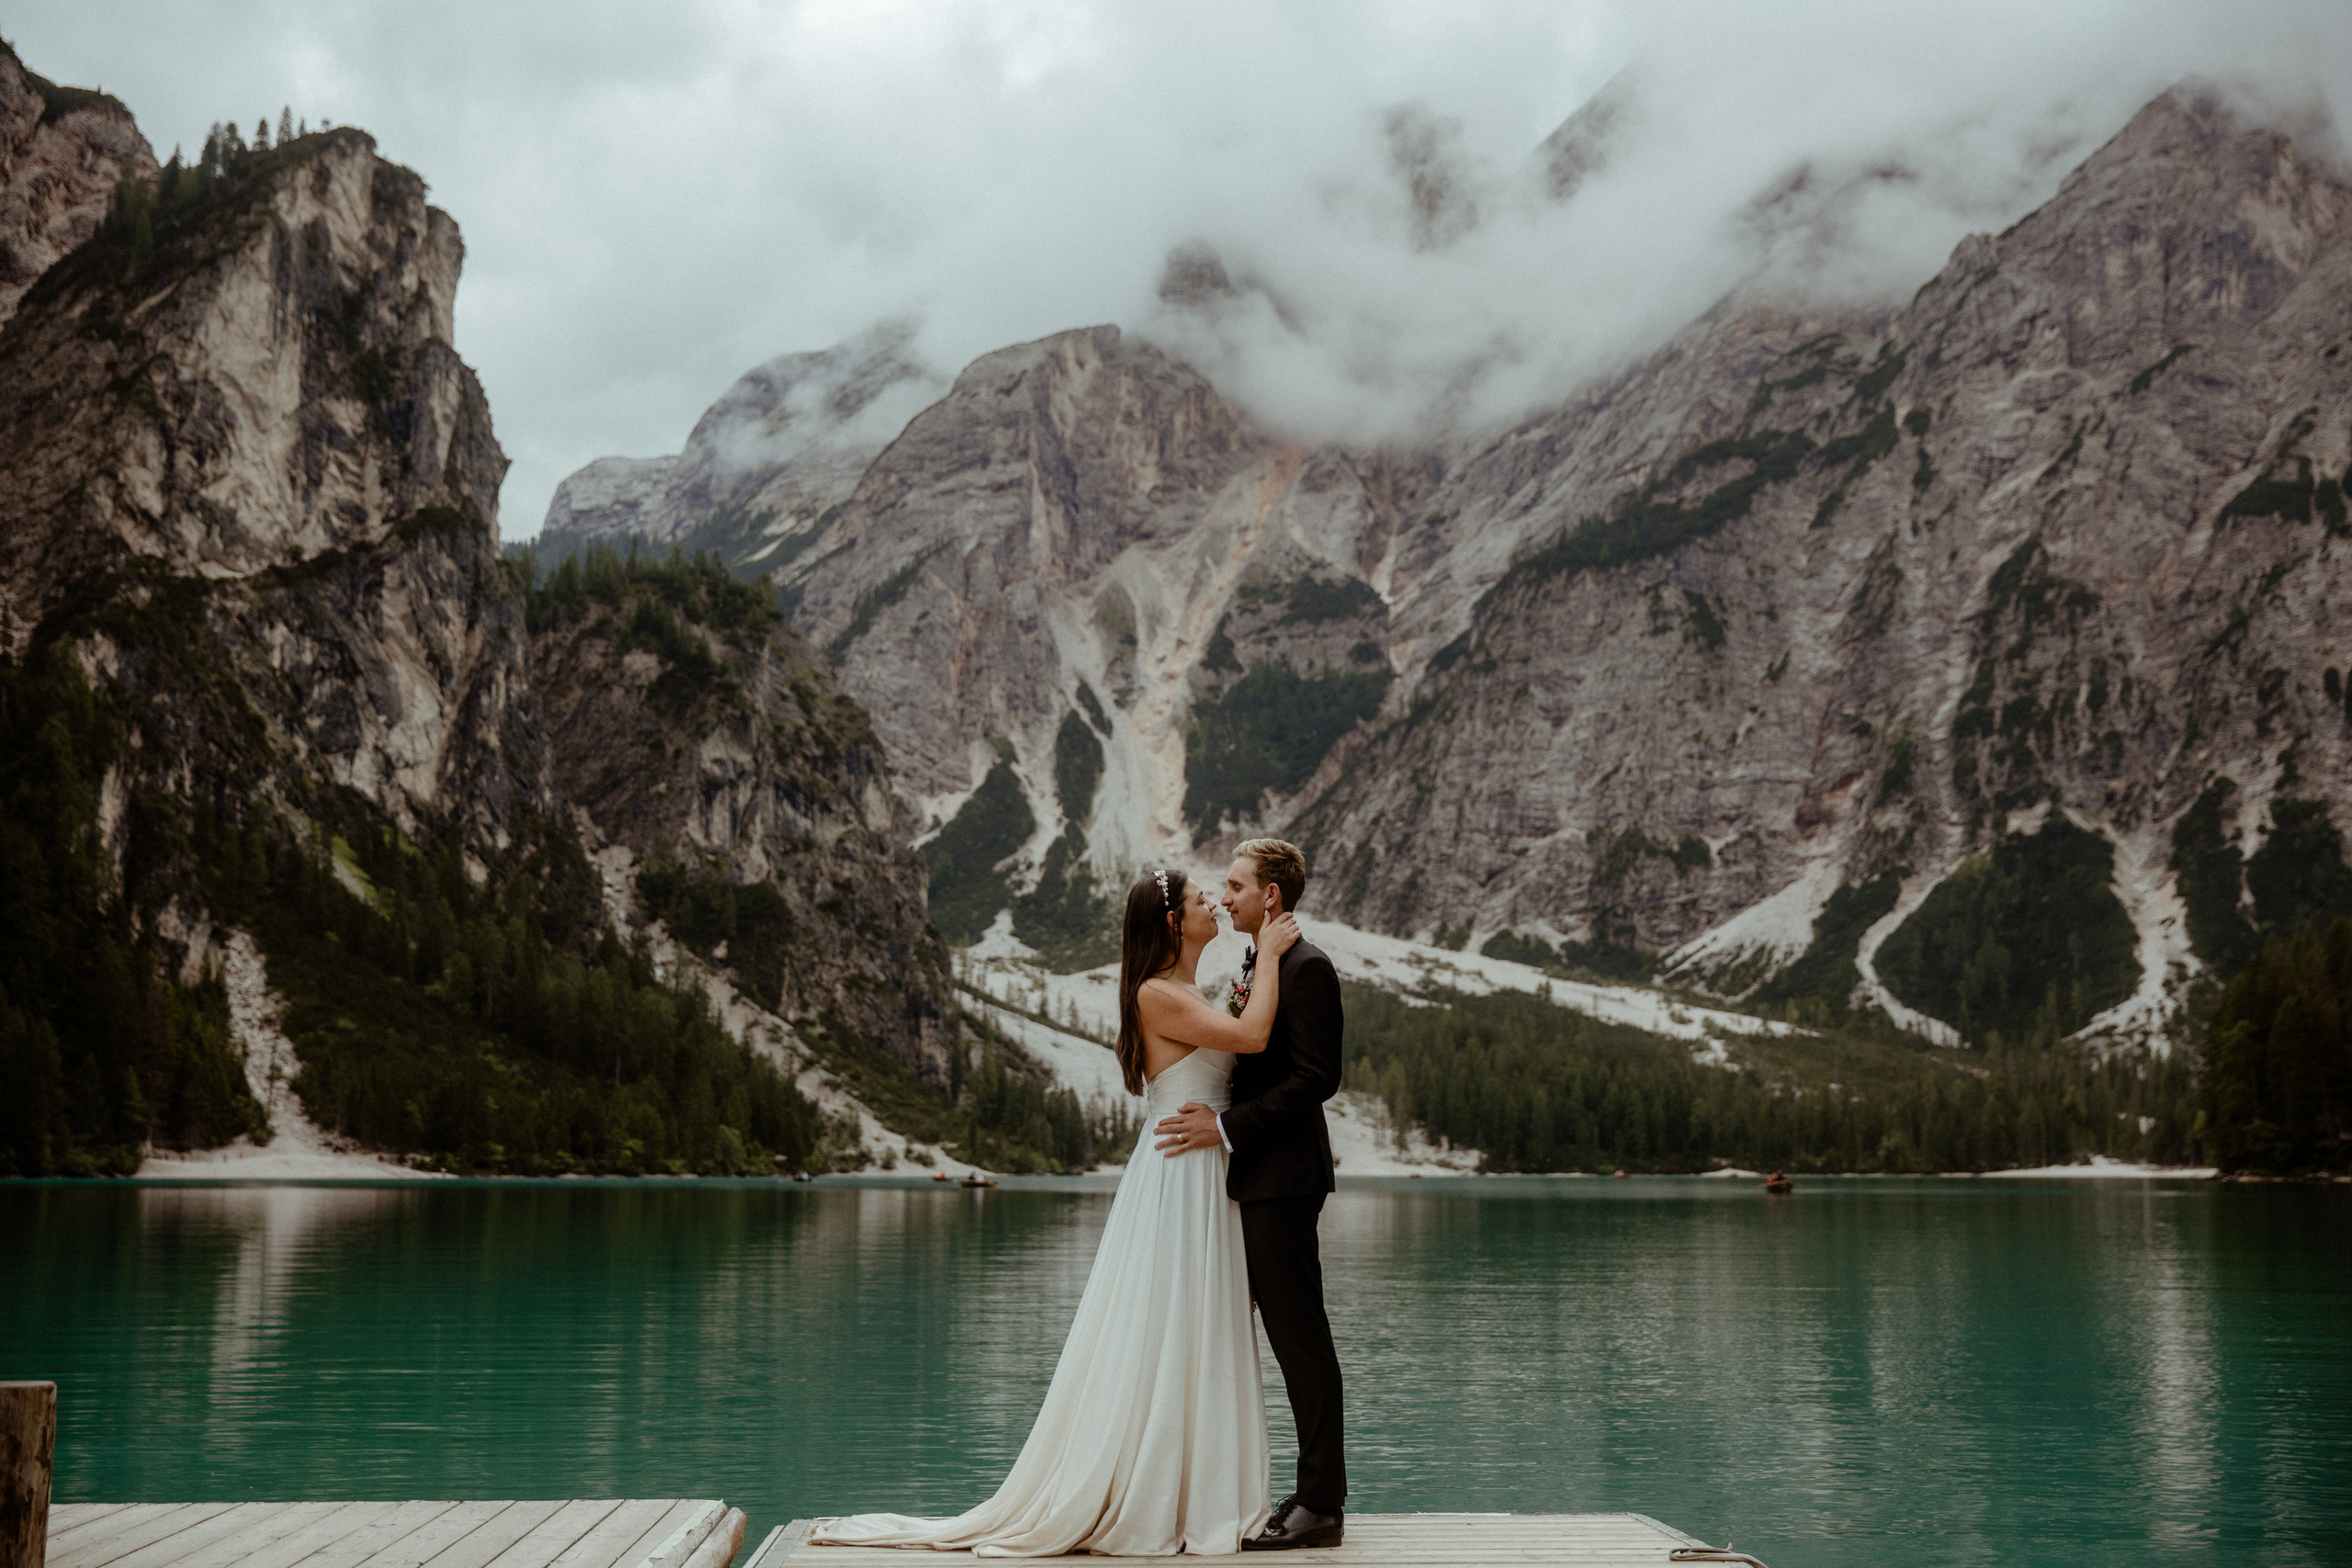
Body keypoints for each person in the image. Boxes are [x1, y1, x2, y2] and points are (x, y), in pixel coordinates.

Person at [809, 867, 1300, 1557]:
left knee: (1197, 1328)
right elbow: (1250, 1039)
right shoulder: (1157, 993)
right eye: (1198, 900)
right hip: (1178, 1179)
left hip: (1204, 1171)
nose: (1214, 905)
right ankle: (1157, 1490)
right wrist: (1272, 954)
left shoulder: (1184, 989)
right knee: (1170, 1327)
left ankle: (1193, 1486)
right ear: (1170, 922)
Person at [1154, 839, 1348, 1551]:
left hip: (1285, 1181)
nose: (1224, 896)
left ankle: (1322, 1505)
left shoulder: (1309, 965)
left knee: (1302, 1341)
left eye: (1235, 886)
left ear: (1271, 895)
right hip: (1258, 1179)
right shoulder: (1263, 961)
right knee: (1289, 1339)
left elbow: (1315, 1078)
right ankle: (1309, 1491)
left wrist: (1227, 1126)